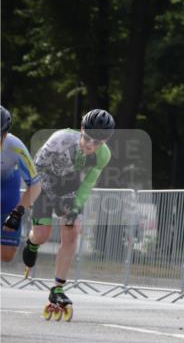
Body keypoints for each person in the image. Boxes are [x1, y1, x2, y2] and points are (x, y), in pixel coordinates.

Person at [22, 109, 115, 315]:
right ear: (81, 129)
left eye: (96, 142)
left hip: (68, 187)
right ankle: (32, 242)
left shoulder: (104, 155)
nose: (90, 145)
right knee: (42, 235)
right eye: (87, 138)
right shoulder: (60, 139)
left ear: (105, 141)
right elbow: (35, 169)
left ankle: (57, 288)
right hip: (43, 183)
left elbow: (88, 183)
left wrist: (75, 208)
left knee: (72, 230)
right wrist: (49, 199)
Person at [1, 105, 42, 262]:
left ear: (5, 134)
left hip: (8, 191)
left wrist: (17, 213)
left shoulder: (15, 146)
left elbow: (36, 184)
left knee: (7, 256)